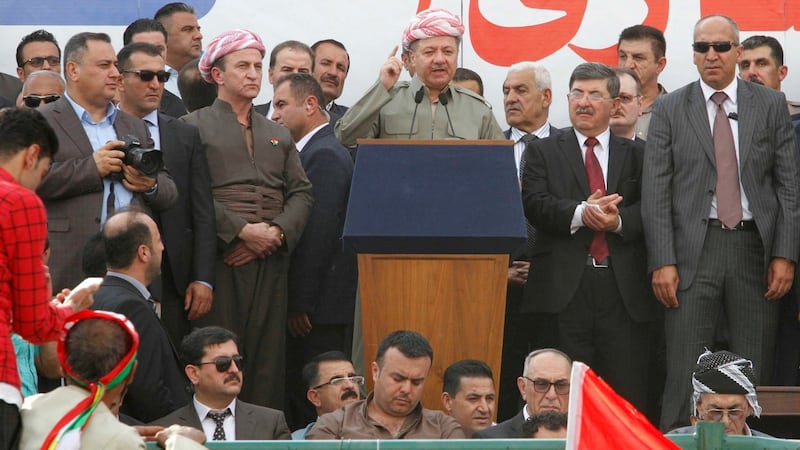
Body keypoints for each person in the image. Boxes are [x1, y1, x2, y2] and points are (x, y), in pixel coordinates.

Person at [642, 15, 800, 431]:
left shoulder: (767, 105)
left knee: (753, 370)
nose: (711, 55)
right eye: (701, 47)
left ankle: (756, 443)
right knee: (682, 370)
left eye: (721, 47)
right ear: (692, 55)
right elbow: (656, 191)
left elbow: (788, 188)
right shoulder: (670, 106)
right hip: (694, 251)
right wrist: (663, 260)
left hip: (755, 250)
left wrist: (785, 254)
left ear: (738, 51)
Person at [184, 29, 312, 411]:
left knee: (268, 361)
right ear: (218, 75)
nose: (253, 74)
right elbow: (192, 194)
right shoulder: (194, 125)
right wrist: (240, 232)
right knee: (221, 355)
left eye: (258, 66)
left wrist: (273, 232)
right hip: (223, 259)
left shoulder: (277, 133)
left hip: (271, 261)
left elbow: (302, 193)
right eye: (243, 66)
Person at [521, 62, 655, 414]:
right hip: (564, 292)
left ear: (613, 104)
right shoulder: (543, 150)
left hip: (621, 290)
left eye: (595, 94)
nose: (583, 101)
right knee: (564, 395)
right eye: (577, 93)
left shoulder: (639, 154)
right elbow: (534, 205)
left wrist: (617, 222)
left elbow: (653, 211)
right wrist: (583, 213)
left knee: (626, 395)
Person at [36, 31, 178, 293]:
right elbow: (30, 181)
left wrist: (149, 184)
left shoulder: (134, 125)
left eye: (115, 65)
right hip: (69, 264)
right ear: (73, 70)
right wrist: (92, 168)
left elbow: (169, 190)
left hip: (131, 266)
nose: (115, 73)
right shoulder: (43, 121)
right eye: (104, 65)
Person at [0, 107, 95, 450]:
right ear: (32, 155)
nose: (38, 185)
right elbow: (34, 324)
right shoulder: (19, 202)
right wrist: (72, 307)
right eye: (42, 173)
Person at [271, 72, 356, 430]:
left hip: (318, 310)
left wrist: (301, 302)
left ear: (310, 105)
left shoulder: (323, 155)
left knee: (315, 396)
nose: (273, 115)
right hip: (318, 305)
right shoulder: (313, 152)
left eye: (280, 105)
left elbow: (317, 235)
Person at [116, 42, 216, 348]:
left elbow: (201, 210)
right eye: (146, 76)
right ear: (119, 79)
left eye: (162, 77)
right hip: (115, 269)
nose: (156, 84)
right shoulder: (100, 131)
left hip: (175, 278)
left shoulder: (184, 133)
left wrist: (203, 278)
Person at [19, 310, 207, 450]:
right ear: (132, 372)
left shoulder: (24, 410)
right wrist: (182, 442)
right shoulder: (121, 442)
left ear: (63, 364)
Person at [334, 8, 504, 146]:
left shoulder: (477, 109)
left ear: (457, 54)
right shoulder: (387, 99)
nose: (439, 59)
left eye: (448, 52)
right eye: (429, 52)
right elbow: (344, 138)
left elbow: (501, 168)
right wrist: (382, 86)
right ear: (412, 58)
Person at [499, 61, 562, 420]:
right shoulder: (490, 147)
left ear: (546, 97)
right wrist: (497, 271)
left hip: (552, 289)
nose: (511, 98)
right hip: (499, 290)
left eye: (520, 90)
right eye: (506, 90)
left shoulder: (568, 148)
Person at [737, 35, 800, 387]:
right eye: (744, 65)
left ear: (782, 72)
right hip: (743, 267)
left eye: (761, 64)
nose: (751, 72)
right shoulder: (719, 126)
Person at [92, 209, 190, 423]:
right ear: (144, 253)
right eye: (158, 240)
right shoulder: (132, 307)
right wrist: (176, 426)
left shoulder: (94, 296)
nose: (163, 247)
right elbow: (148, 387)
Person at [307, 330, 465, 439]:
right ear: (375, 372)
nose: (406, 389)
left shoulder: (444, 429)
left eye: (416, 382)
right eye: (398, 379)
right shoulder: (334, 425)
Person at [151, 326, 291, 441]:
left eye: (238, 361)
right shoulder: (162, 430)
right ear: (193, 373)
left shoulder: (271, 423)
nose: (234, 370)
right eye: (222, 364)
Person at [667, 350, 771, 437]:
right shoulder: (673, 444)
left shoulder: (772, 447)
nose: (725, 422)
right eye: (716, 412)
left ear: (749, 408)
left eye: (734, 412)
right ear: (700, 407)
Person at [474, 349, 571, 438]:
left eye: (561, 385)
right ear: (523, 388)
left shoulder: (585, 438)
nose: (551, 395)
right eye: (541, 384)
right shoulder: (490, 441)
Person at [123, 18, 188, 118]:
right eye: (143, 48)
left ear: (167, 50)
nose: (152, 54)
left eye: (159, 49)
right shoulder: (105, 101)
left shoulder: (176, 107)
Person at [293, 351, 362, 440]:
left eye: (353, 378)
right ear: (315, 397)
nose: (350, 385)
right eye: (337, 380)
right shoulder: (294, 443)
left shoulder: (379, 436)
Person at [617, 24, 668, 140]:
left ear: (660, 65)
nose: (628, 65)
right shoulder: (605, 108)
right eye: (623, 56)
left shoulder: (677, 112)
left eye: (638, 58)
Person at [154, 2, 203, 99]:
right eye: (188, 29)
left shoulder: (210, 78)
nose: (199, 36)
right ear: (164, 37)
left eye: (198, 29)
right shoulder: (149, 79)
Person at [254, 40, 313, 118]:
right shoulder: (246, 118)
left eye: (302, 71)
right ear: (271, 75)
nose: (295, 77)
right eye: (287, 70)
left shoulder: (330, 124)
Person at [441, 359, 496, 438]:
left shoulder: (508, 441)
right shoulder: (428, 440)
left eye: (489, 398)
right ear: (448, 401)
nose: (485, 409)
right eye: (473, 398)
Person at [311, 39, 350, 120]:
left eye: (340, 68)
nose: (333, 73)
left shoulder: (351, 121)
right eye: (326, 63)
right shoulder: (282, 111)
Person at [610, 67, 644, 140]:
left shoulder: (651, 151)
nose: (617, 106)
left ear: (640, 105)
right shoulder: (583, 150)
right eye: (612, 98)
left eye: (624, 98)